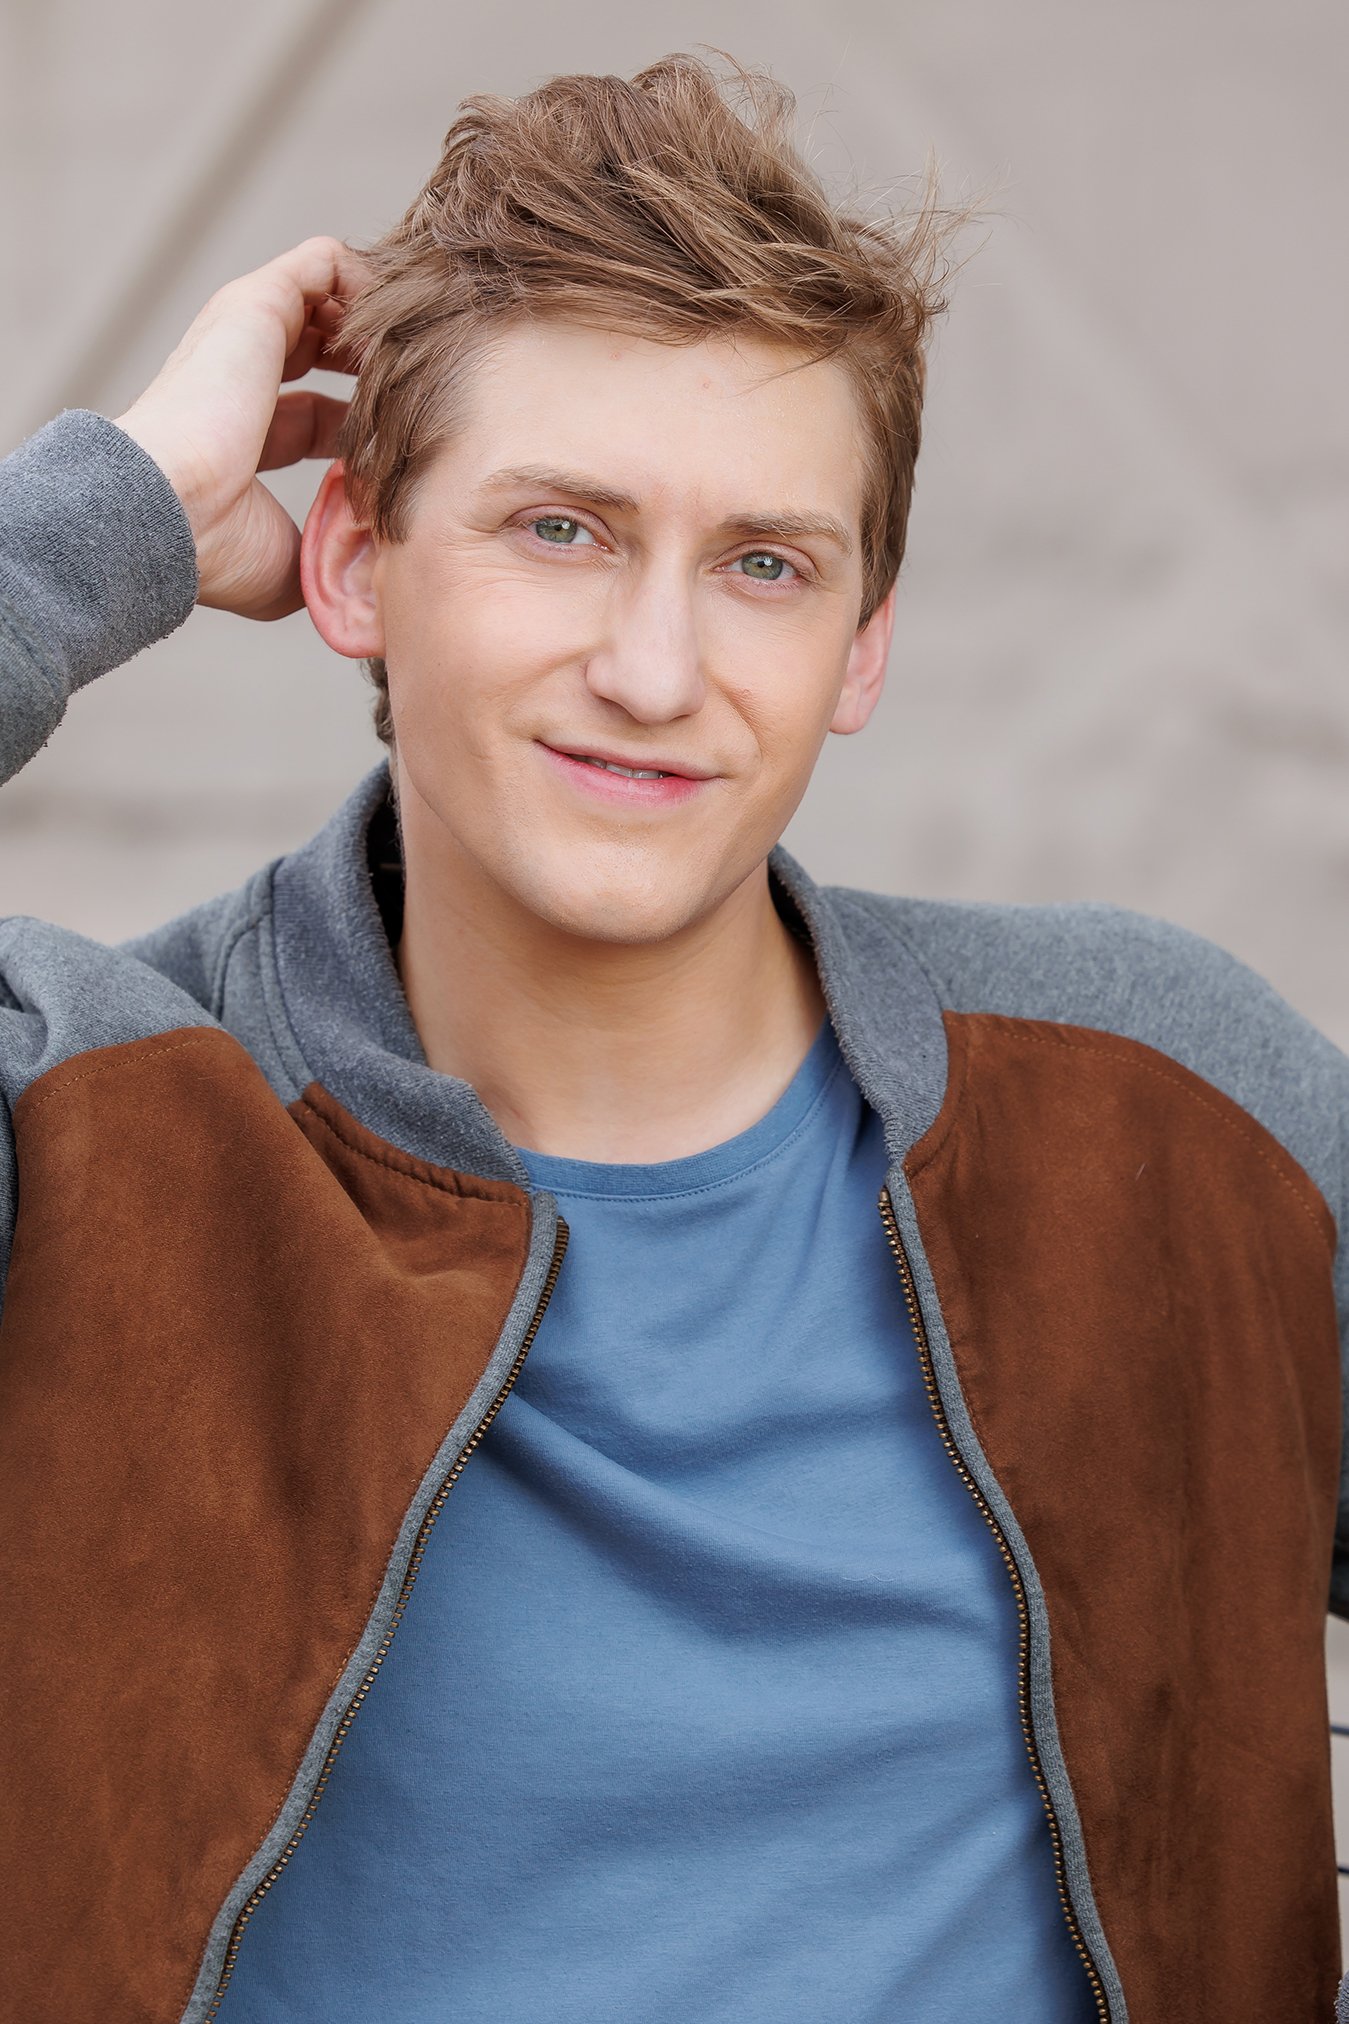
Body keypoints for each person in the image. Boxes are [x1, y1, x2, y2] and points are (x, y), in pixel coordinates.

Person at [0, 52, 1343, 2024]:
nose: (655, 670)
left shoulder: (1169, 1101)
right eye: (561, 529)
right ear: (358, 563)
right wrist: (95, 522)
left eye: (765, 566)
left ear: (864, 641)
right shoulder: (91, 1126)